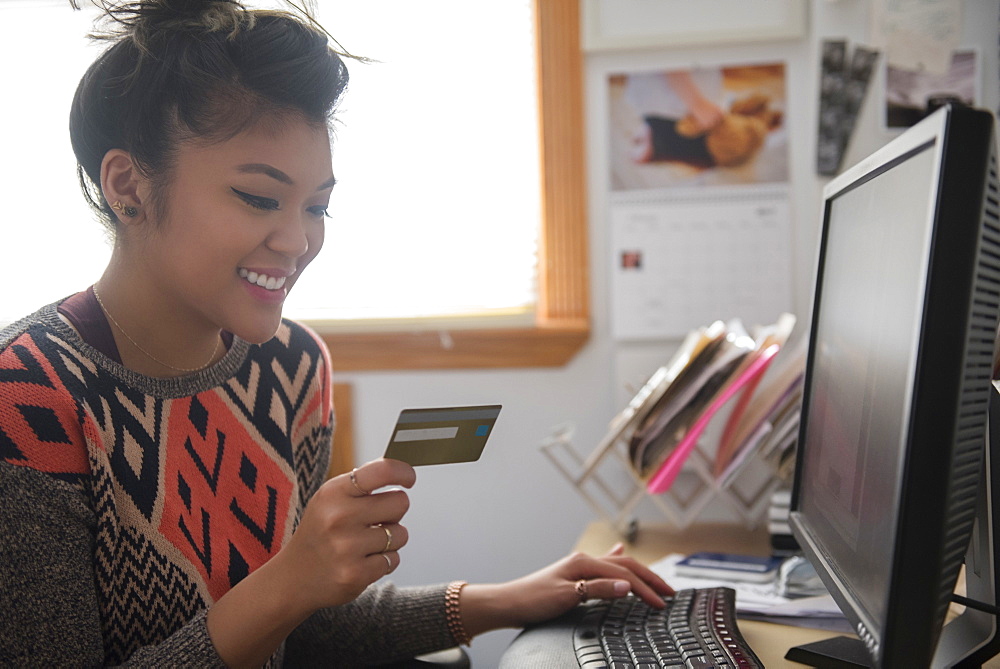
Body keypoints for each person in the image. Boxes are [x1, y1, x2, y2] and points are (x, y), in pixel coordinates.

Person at [0, 1, 672, 666]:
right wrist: (290, 580)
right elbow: (281, 599)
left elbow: (303, 628)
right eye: (259, 198)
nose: (297, 241)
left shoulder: (293, 367)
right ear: (129, 186)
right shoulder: (29, 398)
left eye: (317, 205)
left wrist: (509, 599)